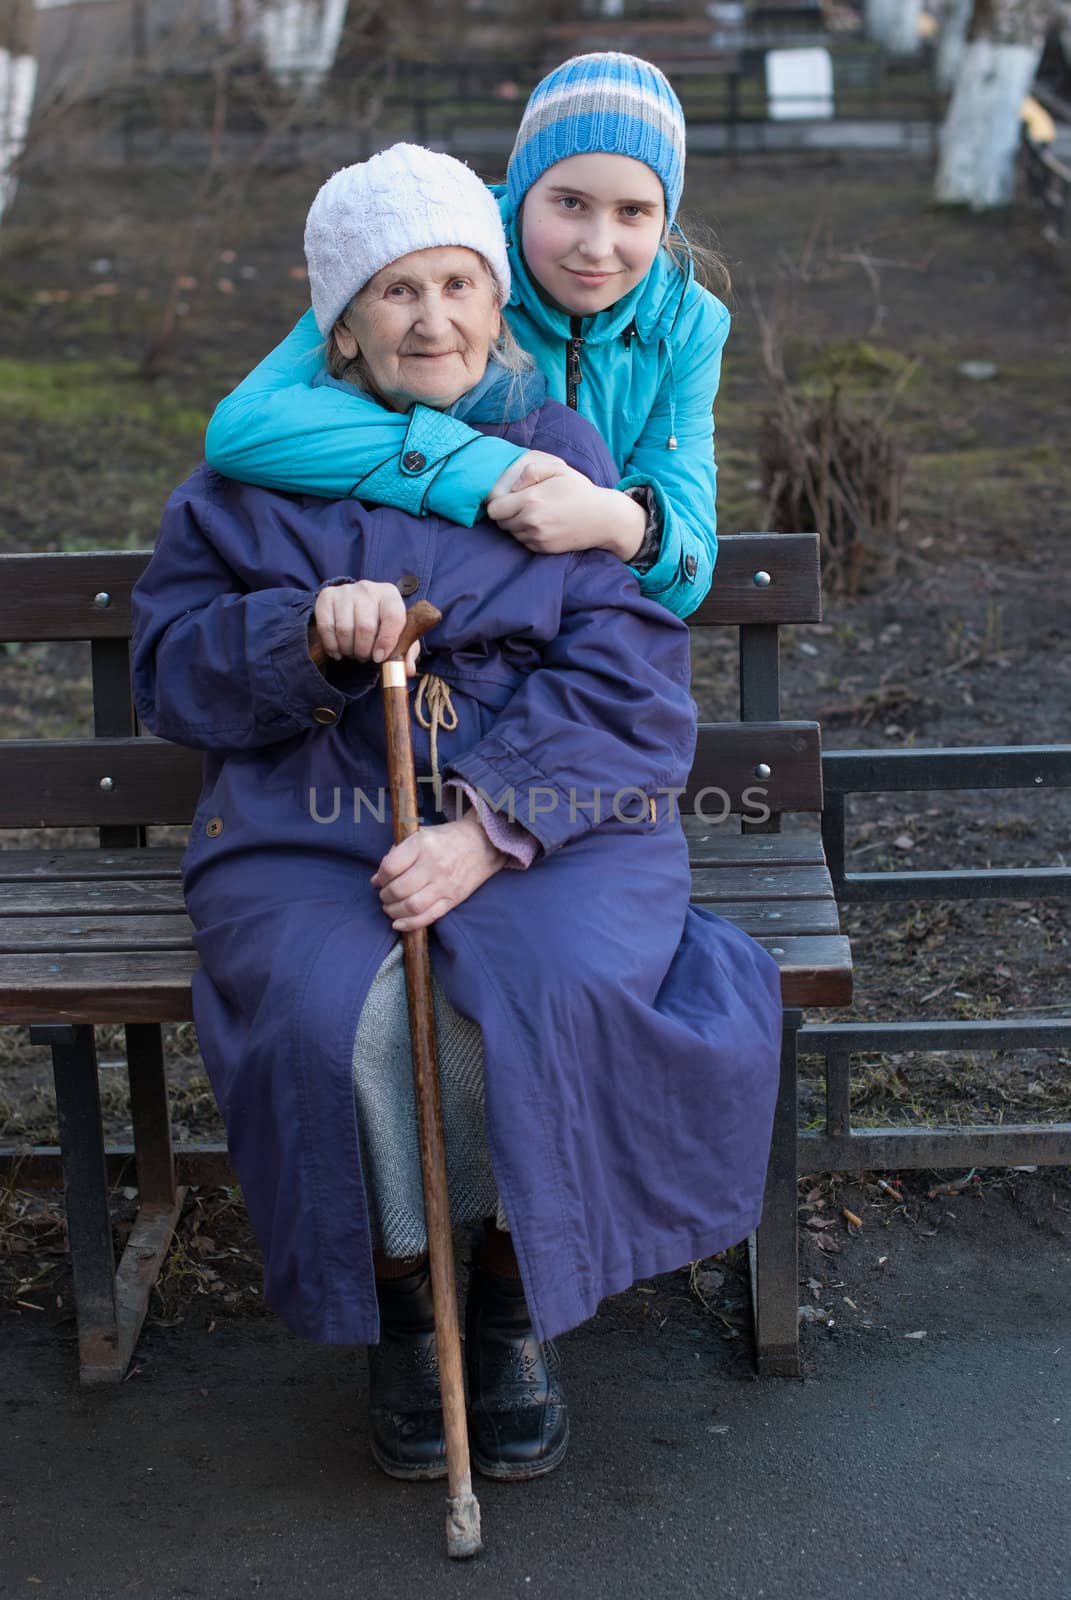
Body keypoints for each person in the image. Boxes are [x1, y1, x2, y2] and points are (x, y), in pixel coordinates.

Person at [132, 145, 781, 1489]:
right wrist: (297, 635)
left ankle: (500, 1293)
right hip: (307, 817)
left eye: (457, 285)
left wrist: (489, 831)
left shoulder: (553, 451)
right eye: (393, 294)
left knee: (537, 996)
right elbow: (170, 672)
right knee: (338, 1019)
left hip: (554, 818)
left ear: (495, 301)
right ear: (341, 324)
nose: (431, 321)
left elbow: (631, 685)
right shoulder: (252, 476)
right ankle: (400, 1296)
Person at [203, 52, 729, 620]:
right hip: (443, 600)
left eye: (633, 211)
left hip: (579, 617)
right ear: (526, 190)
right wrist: (485, 468)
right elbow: (246, 427)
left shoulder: (686, 326)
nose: (597, 245)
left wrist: (621, 521)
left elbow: (689, 574)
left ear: (664, 216)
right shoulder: (438, 252)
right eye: (570, 203)